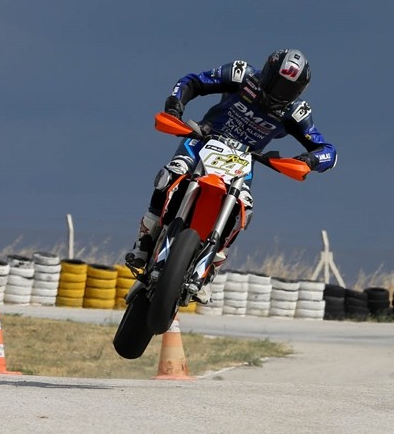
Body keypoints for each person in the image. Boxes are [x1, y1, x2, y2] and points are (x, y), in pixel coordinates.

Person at [125, 48, 337, 303]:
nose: (280, 93)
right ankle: (144, 241)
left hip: (243, 159)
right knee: (173, 173)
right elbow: (192, 81)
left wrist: (309, 160)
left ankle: (210, 269)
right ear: (267, 73)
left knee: (244, 208)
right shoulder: (241, 74)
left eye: (289, 89)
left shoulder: (297, 112)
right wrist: (174, 106)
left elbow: (328, 151)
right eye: (277, 84)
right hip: (203, 139)